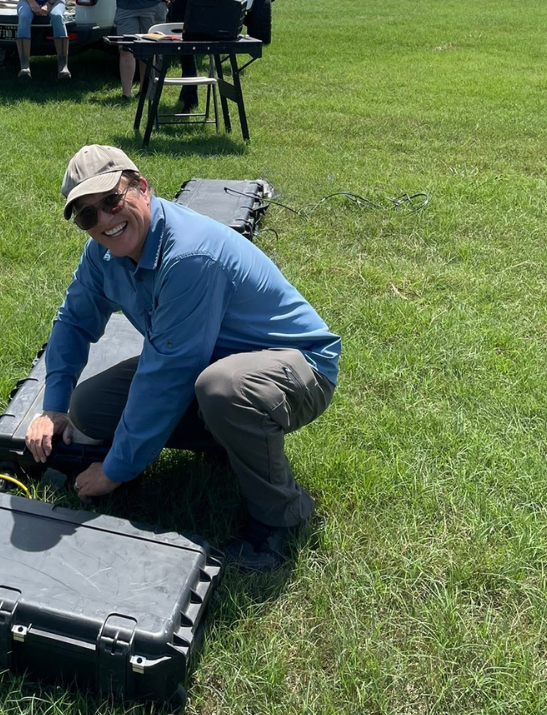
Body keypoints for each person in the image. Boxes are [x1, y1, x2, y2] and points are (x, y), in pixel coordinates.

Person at [25, 145, 341, 572]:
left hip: (298, 367)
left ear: (142, 188)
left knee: (223, 390)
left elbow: (166, 375)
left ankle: (281, 516)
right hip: (210, 360)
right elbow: (74, 322)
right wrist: (54, 407)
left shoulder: (189, 255)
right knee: (90, 407)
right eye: (87, 215)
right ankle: (226, 439)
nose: (104, 220)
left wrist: (116, 468)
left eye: (111, 200)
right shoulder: (102, 255)